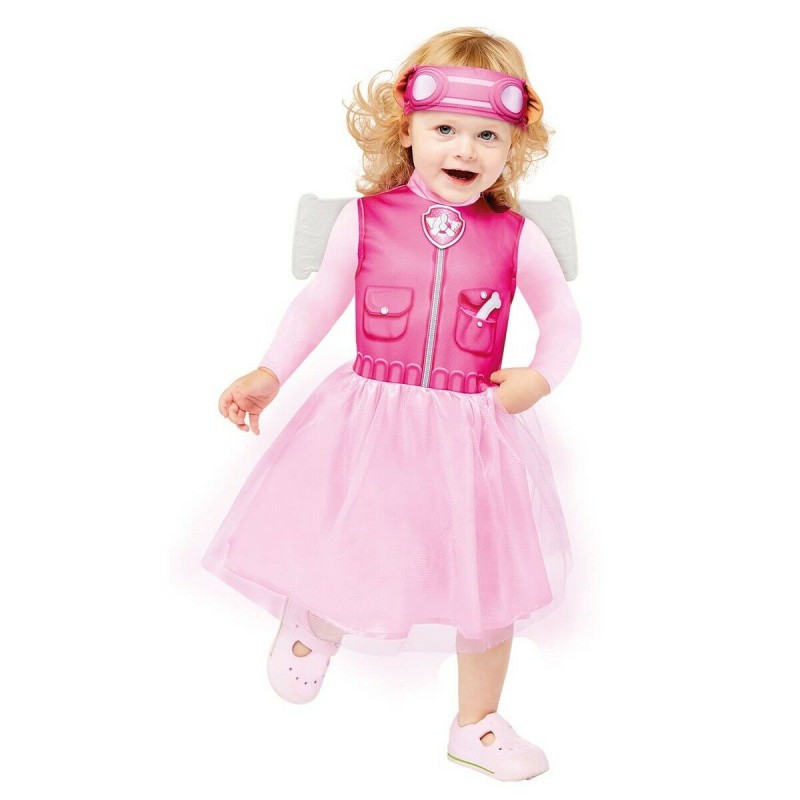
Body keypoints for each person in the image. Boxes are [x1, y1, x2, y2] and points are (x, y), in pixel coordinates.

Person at [202, 26, 582, 782]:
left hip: (474, 428)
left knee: (487, 577)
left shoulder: (516, 235)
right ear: (406, 128)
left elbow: (563, 320)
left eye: (487, 135)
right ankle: (317, 617)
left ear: (513, 144)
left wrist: (540, 376)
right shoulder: (367, 219)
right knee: (360, 528)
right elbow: (319, 302)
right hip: (374, 413)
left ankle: (477, 722)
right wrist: (271, 371)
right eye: (445, 129)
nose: (464, 149)